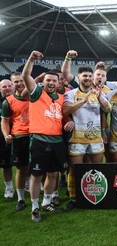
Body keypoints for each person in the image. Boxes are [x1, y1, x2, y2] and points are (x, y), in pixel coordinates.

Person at [62, 50, 111, 210]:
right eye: (85, 76)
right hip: (77, 138)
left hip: (96, 138)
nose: (88, 79)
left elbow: (107, 111)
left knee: (96, 170)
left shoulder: (99, 93)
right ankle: (73, 199)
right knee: (75, 170)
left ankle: (94, 197)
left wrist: (104, 133)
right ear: (78, 78)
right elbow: (66, 111)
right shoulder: (71, 93)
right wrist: (83, 100)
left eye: (90, 76)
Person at [22, 51, 67, 222]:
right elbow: (26, 75)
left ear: (57, 83)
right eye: (48, 80)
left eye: (54, 81)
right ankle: (34, 207)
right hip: (40, 140)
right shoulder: (37, 94)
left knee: (54, 174)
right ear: (43, 81)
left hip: (57, 140)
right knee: (37, 175)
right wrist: (31, 59)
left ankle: (47, 202)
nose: (50, 83)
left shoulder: (62, 97)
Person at [1, 72, 30, 211]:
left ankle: (44, 192)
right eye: (16, 82)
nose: (19, 84)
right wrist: (6, 134)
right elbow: (5, 121)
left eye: (21, 80)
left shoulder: (35, 96)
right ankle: (20, 198)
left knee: (40, 166)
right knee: (20, 169)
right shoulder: (8, 101)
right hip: (19, 137)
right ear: (13, 85)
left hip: (37, 135)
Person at [0, 79, 14, 199]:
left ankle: (25, 183)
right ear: (0, 89)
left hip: (20, 136)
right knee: (6, 166)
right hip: (2, 139)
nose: (7, 88)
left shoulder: (21, 99)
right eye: (4, 87)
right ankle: (9, 188)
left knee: (24, 164)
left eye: (10, 86)